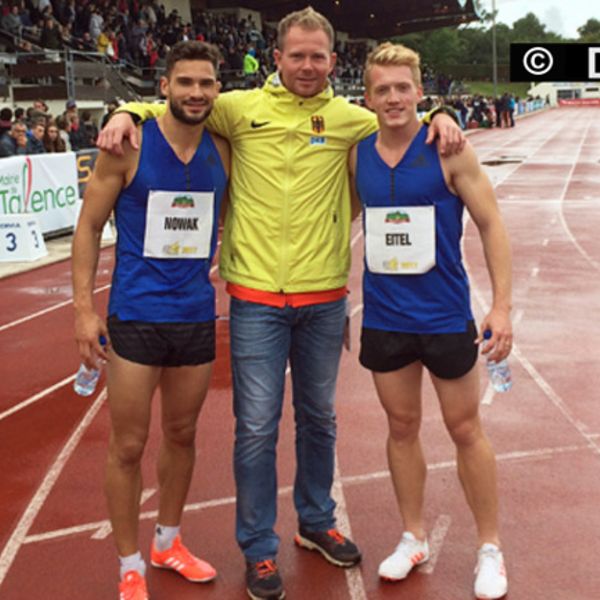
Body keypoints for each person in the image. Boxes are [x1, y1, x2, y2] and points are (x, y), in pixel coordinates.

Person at [97, 8, 464, 600]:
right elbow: (176, 107)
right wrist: (125, 109)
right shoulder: (239, 108)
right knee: (257, 428)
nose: (307, 65)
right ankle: (259, 548)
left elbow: (403, 111)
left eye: (318, 55)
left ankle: (316, 521)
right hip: (256, 298)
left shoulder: (352, 118)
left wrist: (440, 113)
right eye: (297, 54)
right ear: (277, 57)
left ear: (333, 61)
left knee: (320, 420)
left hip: (323, 296)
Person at [348, 42, 511, 600]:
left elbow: (491, 223)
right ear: (367, 96)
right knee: (400, 428)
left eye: (403, 88)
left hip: (444, 315)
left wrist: (502, 306)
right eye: (382, 89)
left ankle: (490, 546)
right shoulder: (357, 155)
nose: (393, 98)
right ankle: (412, 535)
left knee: (466, 429)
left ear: (420, 91)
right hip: (386, 318)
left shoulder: (448, 149)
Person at [71, 41, 230, 600]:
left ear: (217, 89)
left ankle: (167, 541)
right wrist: (84, 310)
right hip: (136, 314)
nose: (196, 92)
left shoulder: (224, 150)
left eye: (206, 83)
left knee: (183, 434)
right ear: (163, 86)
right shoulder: (129, 146)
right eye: (184, 82)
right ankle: (129, 562)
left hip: (194, 314)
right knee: (128, 445)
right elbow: (88, 227)